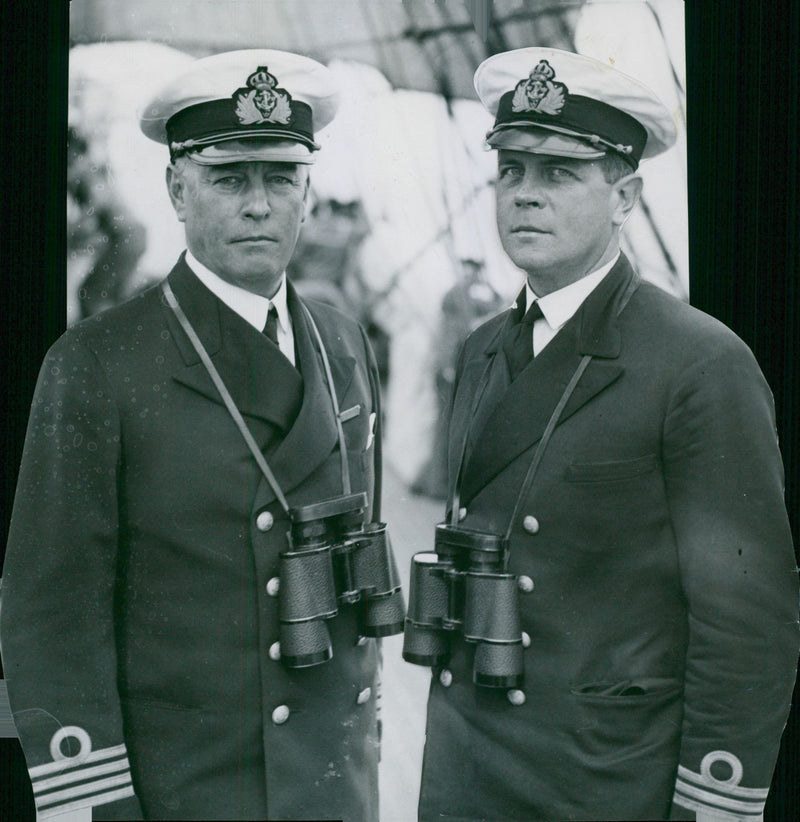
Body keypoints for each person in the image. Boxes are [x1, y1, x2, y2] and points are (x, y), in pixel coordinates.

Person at [1, 49, 402, 821]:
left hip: (330, 783)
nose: (259, 205)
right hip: (186, 790)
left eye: (281, 177)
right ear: (177, 189)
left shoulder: (345, 345)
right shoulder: (95, 364)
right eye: (229, 178)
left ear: (309, 192)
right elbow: (50, 617)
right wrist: (93, 803)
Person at [409, 47, 799, 821]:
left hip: (602, 781)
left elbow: (747, 621)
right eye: (512, 171)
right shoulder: (480, 349)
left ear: (625, 196)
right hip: (467, 769)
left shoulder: (698, 362)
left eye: (558, 175)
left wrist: (715, 802)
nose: (525, 197)